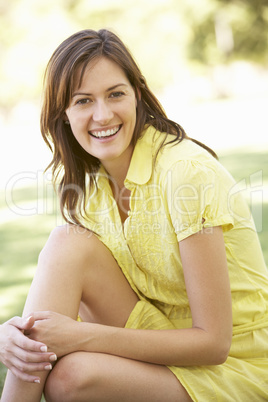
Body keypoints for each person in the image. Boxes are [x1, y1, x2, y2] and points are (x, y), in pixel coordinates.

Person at [1, 28, 268, 401]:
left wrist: (81, 336)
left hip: (234, 365)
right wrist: (16, 335)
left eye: (115, 94)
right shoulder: (89, 188)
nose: (102, 114)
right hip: (157, 339)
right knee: (66, 242)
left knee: (71, 377)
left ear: (137, 94)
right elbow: (59, 301)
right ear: (63, 114)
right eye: (83, 101)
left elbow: (214, 343)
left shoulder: (186, 173)